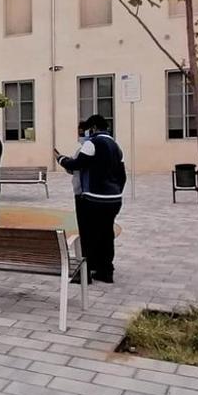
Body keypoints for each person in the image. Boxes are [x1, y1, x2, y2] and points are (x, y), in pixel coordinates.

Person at [57, 114, 126, 284]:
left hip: (94, 199)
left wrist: (61, 159)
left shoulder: (92, 143)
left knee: (88, 235)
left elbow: (76, 165)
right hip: (114, 199)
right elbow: (122, 175)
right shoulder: (115, 146)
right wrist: (116, 191)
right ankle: (106, 270)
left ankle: (85, 273)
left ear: (93, 128)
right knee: (106, 233)